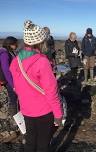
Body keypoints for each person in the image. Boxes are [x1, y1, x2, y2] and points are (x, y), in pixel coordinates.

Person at [10, 20, 63, 152]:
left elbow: (17, 87)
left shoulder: (16, 61)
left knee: (30, 141)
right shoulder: (42, 61)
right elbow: (51, 90)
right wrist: (58, 113)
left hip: (26, 109)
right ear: (40, 41)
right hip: (44, 110)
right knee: (43, 144)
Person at [0, 36, 18, 116]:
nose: (16, 46)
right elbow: (6, 70)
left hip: (8, 78)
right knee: (13, 97)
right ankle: (14, 115)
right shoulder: (4, 54)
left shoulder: (10, 52)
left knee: (13, 97)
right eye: (15, 44)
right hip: (6, 79)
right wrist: (13, 85)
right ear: (10, 44)